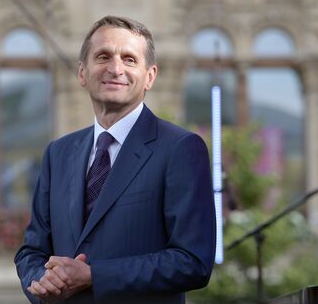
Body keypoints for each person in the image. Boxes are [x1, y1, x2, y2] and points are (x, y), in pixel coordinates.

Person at [14, 16, 215, 303]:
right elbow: (31, 251)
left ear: (150, 76)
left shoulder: (180, 148)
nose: (115, 68)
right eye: (103, 56)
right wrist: (42, 281)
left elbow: (193, 260)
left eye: (130, 59)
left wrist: (94, 275)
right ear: (82, 73)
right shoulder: (58, 153)